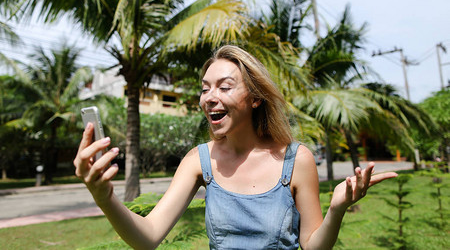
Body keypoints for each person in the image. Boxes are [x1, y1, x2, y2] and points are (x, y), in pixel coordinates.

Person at [74, 45, 398, 250]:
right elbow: (147, 237)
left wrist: (337, 209)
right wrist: (105, 198)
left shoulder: (296, 160)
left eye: (224, 87)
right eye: (204, 89)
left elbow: (313, 247)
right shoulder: (198, 161)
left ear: (255, 98)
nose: (209, 97)